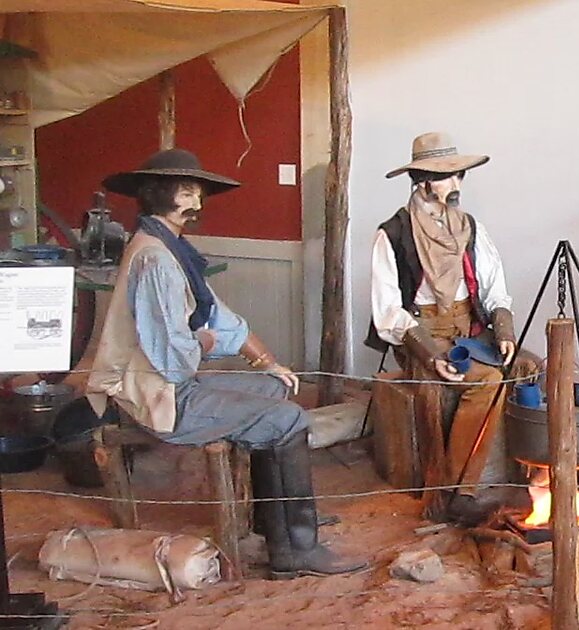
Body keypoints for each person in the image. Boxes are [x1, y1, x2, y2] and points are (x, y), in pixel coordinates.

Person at [87, 148, 366, 578]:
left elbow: (220, 316)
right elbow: (175, 359)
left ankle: (271, 518)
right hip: (159, 396)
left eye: (198, 192)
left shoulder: (172, 247)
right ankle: (296, 548)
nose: (197, 203)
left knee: (276, 392)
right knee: (288, 420)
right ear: (159, 194)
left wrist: (267, 363)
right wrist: (206, 340)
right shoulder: (155, 257)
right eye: (186, 193)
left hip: (175, 383)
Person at [367, 132, 536, 523]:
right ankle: (460, 492)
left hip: (472, 329)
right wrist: (428, 352)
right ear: (424, 181)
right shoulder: (393, 234)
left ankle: (527, 475)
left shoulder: (469, 229)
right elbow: (389, 310)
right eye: (448, 177)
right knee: (487, 381)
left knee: (529, 366)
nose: (457, 184)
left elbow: (495, 289)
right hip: (422, 332)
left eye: (460, 176)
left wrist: (505, 330)